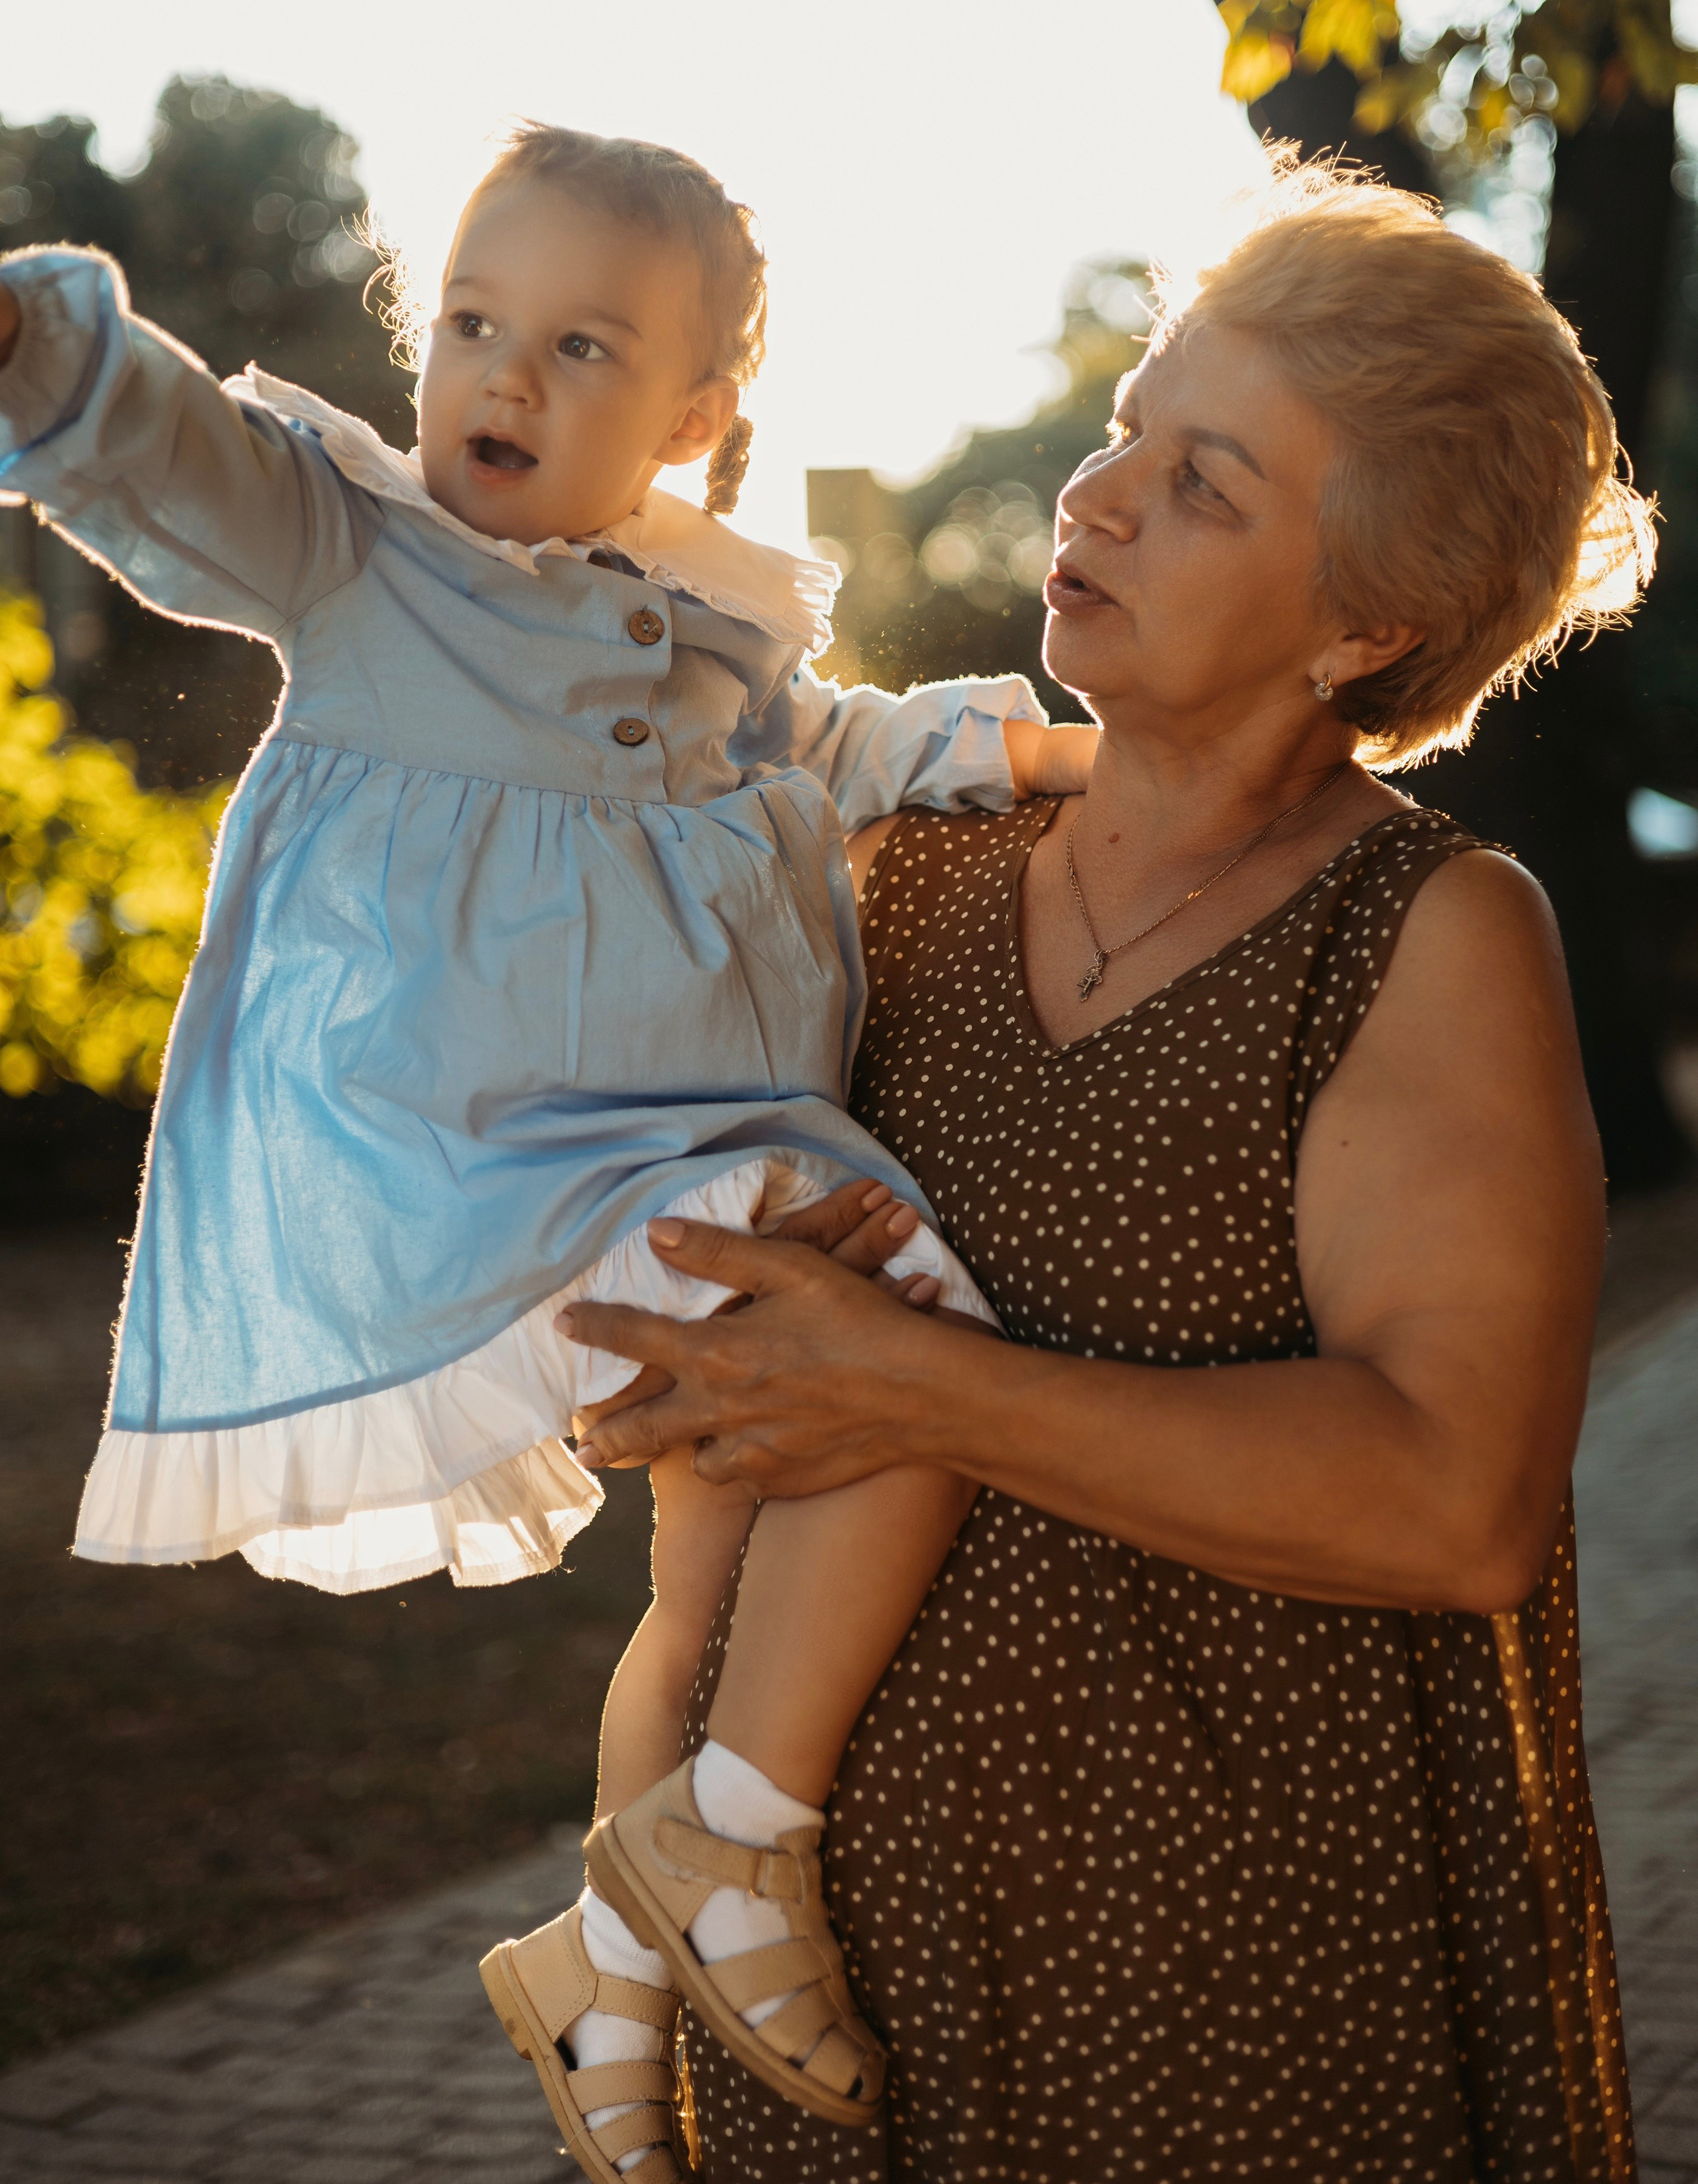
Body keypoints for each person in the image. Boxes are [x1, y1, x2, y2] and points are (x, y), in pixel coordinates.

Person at [0, 124, 1098, 2184]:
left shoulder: (710, 632)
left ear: (691, 421)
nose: (504, 376)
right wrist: (39, 351)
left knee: (714, 1582)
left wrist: (1036, 749)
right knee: (917, 1353)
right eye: (474, 326)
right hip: (499, 1159)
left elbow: (835, 743)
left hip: (681, 1154)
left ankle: (606, 1978)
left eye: (583, 347)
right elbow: (176, 458)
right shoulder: (358, 552)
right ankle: (737, 1839)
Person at [567, 164, 1650, 2181]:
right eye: (1130, 427)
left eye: (1205, 484)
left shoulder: (1425, 932)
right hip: (814, 1975)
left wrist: (920, 1385)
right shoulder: (895, 877)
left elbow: (1458, 1503)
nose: (1099, 494)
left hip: (1220, 2001)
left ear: (1369, 624)